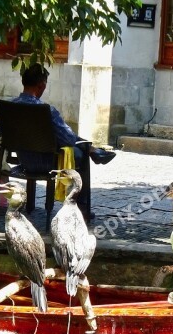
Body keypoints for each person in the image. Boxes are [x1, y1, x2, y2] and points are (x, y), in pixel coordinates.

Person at [10, 63, 115, 221]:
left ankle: (92, 149)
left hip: (23, 159)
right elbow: (67, 138)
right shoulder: (46, 111)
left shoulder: (10, 106)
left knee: (81, 147)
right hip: (47, 163)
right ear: (42, 85)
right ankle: (82, 208)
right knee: (81, 153)